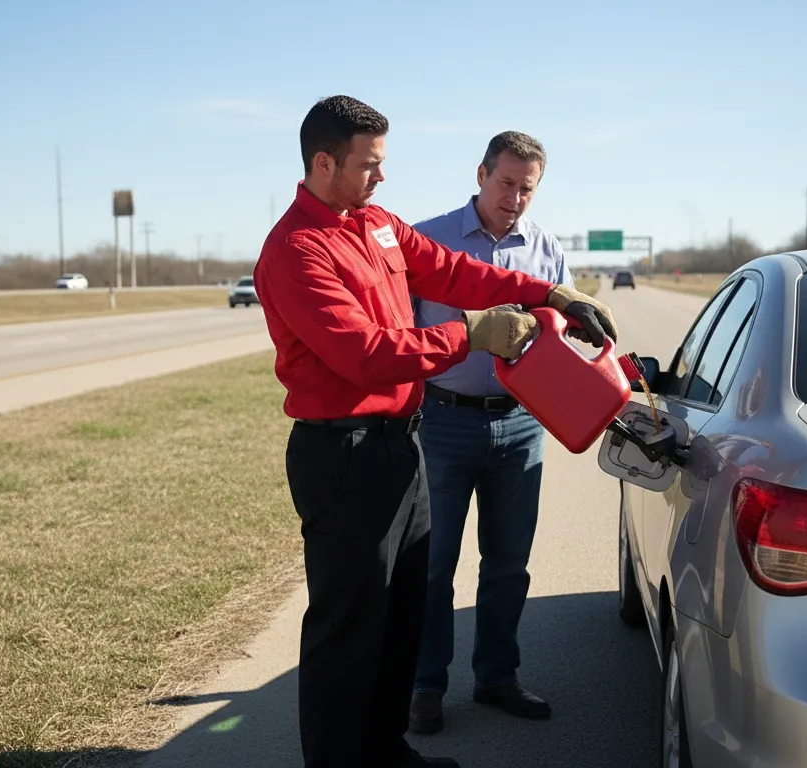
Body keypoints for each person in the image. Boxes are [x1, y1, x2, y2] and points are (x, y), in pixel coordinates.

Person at [253, 96, 616, 768]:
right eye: (369, 165)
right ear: (323, 162)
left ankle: (386, 751)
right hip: (343, 454)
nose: (381, 179)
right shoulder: (296, 249)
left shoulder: (377, 224)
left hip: (399, 444)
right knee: (348, 627)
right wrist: (470, 333)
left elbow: (452, 270)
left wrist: (548, 294)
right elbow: (365, 352)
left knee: (399, 613)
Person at [407, 132, 616, 734]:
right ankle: (425, 685)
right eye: (506, 183)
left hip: (522, 423)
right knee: (432, 564)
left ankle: (497, 677)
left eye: (528, 188)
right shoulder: (429, 240)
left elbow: (568, 324)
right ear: (481, 174)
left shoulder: (546, 249)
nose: (516, 197)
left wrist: (585, 333)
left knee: (507, 564)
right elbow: (402, 331)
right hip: (442, 421)